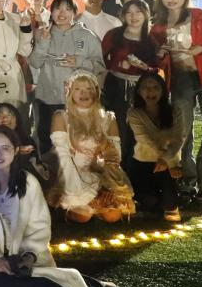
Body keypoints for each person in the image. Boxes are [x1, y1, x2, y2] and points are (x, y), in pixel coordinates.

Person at [0, 126, 125, 287]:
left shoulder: (28, 182)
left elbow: (40, 225)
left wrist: (30, 255)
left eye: (5, 148)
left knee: (36, 286)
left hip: (27, 260)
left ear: (15, 150)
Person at [150, 0, 202, 204]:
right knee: (181, 133)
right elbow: (157, 61)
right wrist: (160, 54)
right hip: (180, 80)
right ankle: (185, 183)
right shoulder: (157, 26)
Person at [46, 71, 135, 223]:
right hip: (71, 174)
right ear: (70, 92)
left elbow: (114, 157)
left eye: (89, 89)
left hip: (99, 172)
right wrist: (79, 194)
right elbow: (63, 158)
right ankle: (77, 207)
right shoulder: (61, 117)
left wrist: (107, 187)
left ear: (96, 92)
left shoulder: (108, 118)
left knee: (112, 216)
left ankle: (97, 206)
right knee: (83, 216)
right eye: (78, 89)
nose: (84, 93)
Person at [28, 0, 105, 153]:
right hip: (48, 97)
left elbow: (100, 66)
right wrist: (43, 42)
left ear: (75, 13)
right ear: (51, 11)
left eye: (67, 9)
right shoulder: (42, 33)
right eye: (58, 8)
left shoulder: (87, 35)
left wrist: (79, 61)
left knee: (77, 141)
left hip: (77, 100)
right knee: (46, 138)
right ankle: (48, 166)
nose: (62, 13)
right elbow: (35, 63)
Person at [102, 0, 158, 170]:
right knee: (118, 129)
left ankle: (138, 173)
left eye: (138, 12)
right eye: (129, 13)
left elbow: (158, 66)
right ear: (123, 16)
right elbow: (101, 59)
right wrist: (117, 65)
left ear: (146, 14)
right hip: (116, 86)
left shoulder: (153, 38)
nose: (134, 17)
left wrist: (145, 67)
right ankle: (117, 170)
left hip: (143, 89)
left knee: (140, 131)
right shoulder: (114, 35)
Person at [126, 73, 185, 222]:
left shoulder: (174, 111)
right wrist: (164, 159)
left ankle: (169, 200)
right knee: (149, 200)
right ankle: (151, 202)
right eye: (146, 87)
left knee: (170, 207)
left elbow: (178, 139)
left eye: (155, 87)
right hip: (143, 163)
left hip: (169, 164)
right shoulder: (134, 113)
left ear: (163, 90)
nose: (150, 91)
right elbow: (145, 140)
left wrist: (168, 162)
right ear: (139, 91)